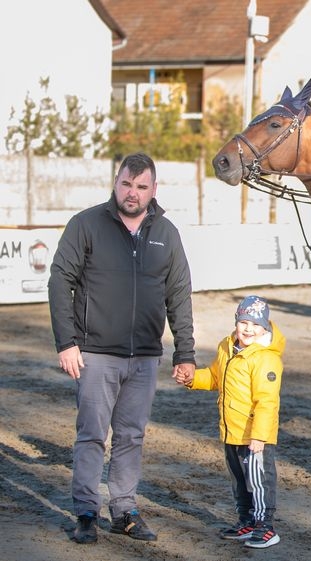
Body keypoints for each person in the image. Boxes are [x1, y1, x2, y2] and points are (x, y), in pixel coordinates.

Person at [49, 152, 196, 545]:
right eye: (126, 184)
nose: (133, 193)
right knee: (92, 435)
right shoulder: (86, 225)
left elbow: (179, 294)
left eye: (141, 186)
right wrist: (67, 343)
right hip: (95, 354)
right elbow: (60, 282)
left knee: (131, 436)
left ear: (154, 189)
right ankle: (85, 512)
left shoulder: (167, 232)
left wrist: (185, 352)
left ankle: (125, 509)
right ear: (116, 183)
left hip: (145, 357)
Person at [174, 295, 285, 549]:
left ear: (265, 327)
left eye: (256, 325)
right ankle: (246, 520)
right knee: (239, 479)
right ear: (236, 321)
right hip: (231, 431)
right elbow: (215, 377)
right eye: (244, 322)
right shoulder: (227, 347)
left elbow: (267, 401)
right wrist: (192, 379)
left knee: (258, 480)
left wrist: (260, 436)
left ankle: (266, 526)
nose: (248, 329)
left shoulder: (266, 358)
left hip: (255, 437)